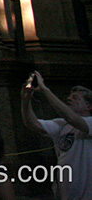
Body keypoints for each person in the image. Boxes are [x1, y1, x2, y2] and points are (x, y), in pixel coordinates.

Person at [21, 71, 92, 200]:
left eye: (75, 98)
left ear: (89, 106)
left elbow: (72, 118)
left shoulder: (89, 123)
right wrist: (26, 100)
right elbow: (33, 124)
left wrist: (45, 89)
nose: (69, 99)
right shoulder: (62, 124)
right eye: (69, 97)